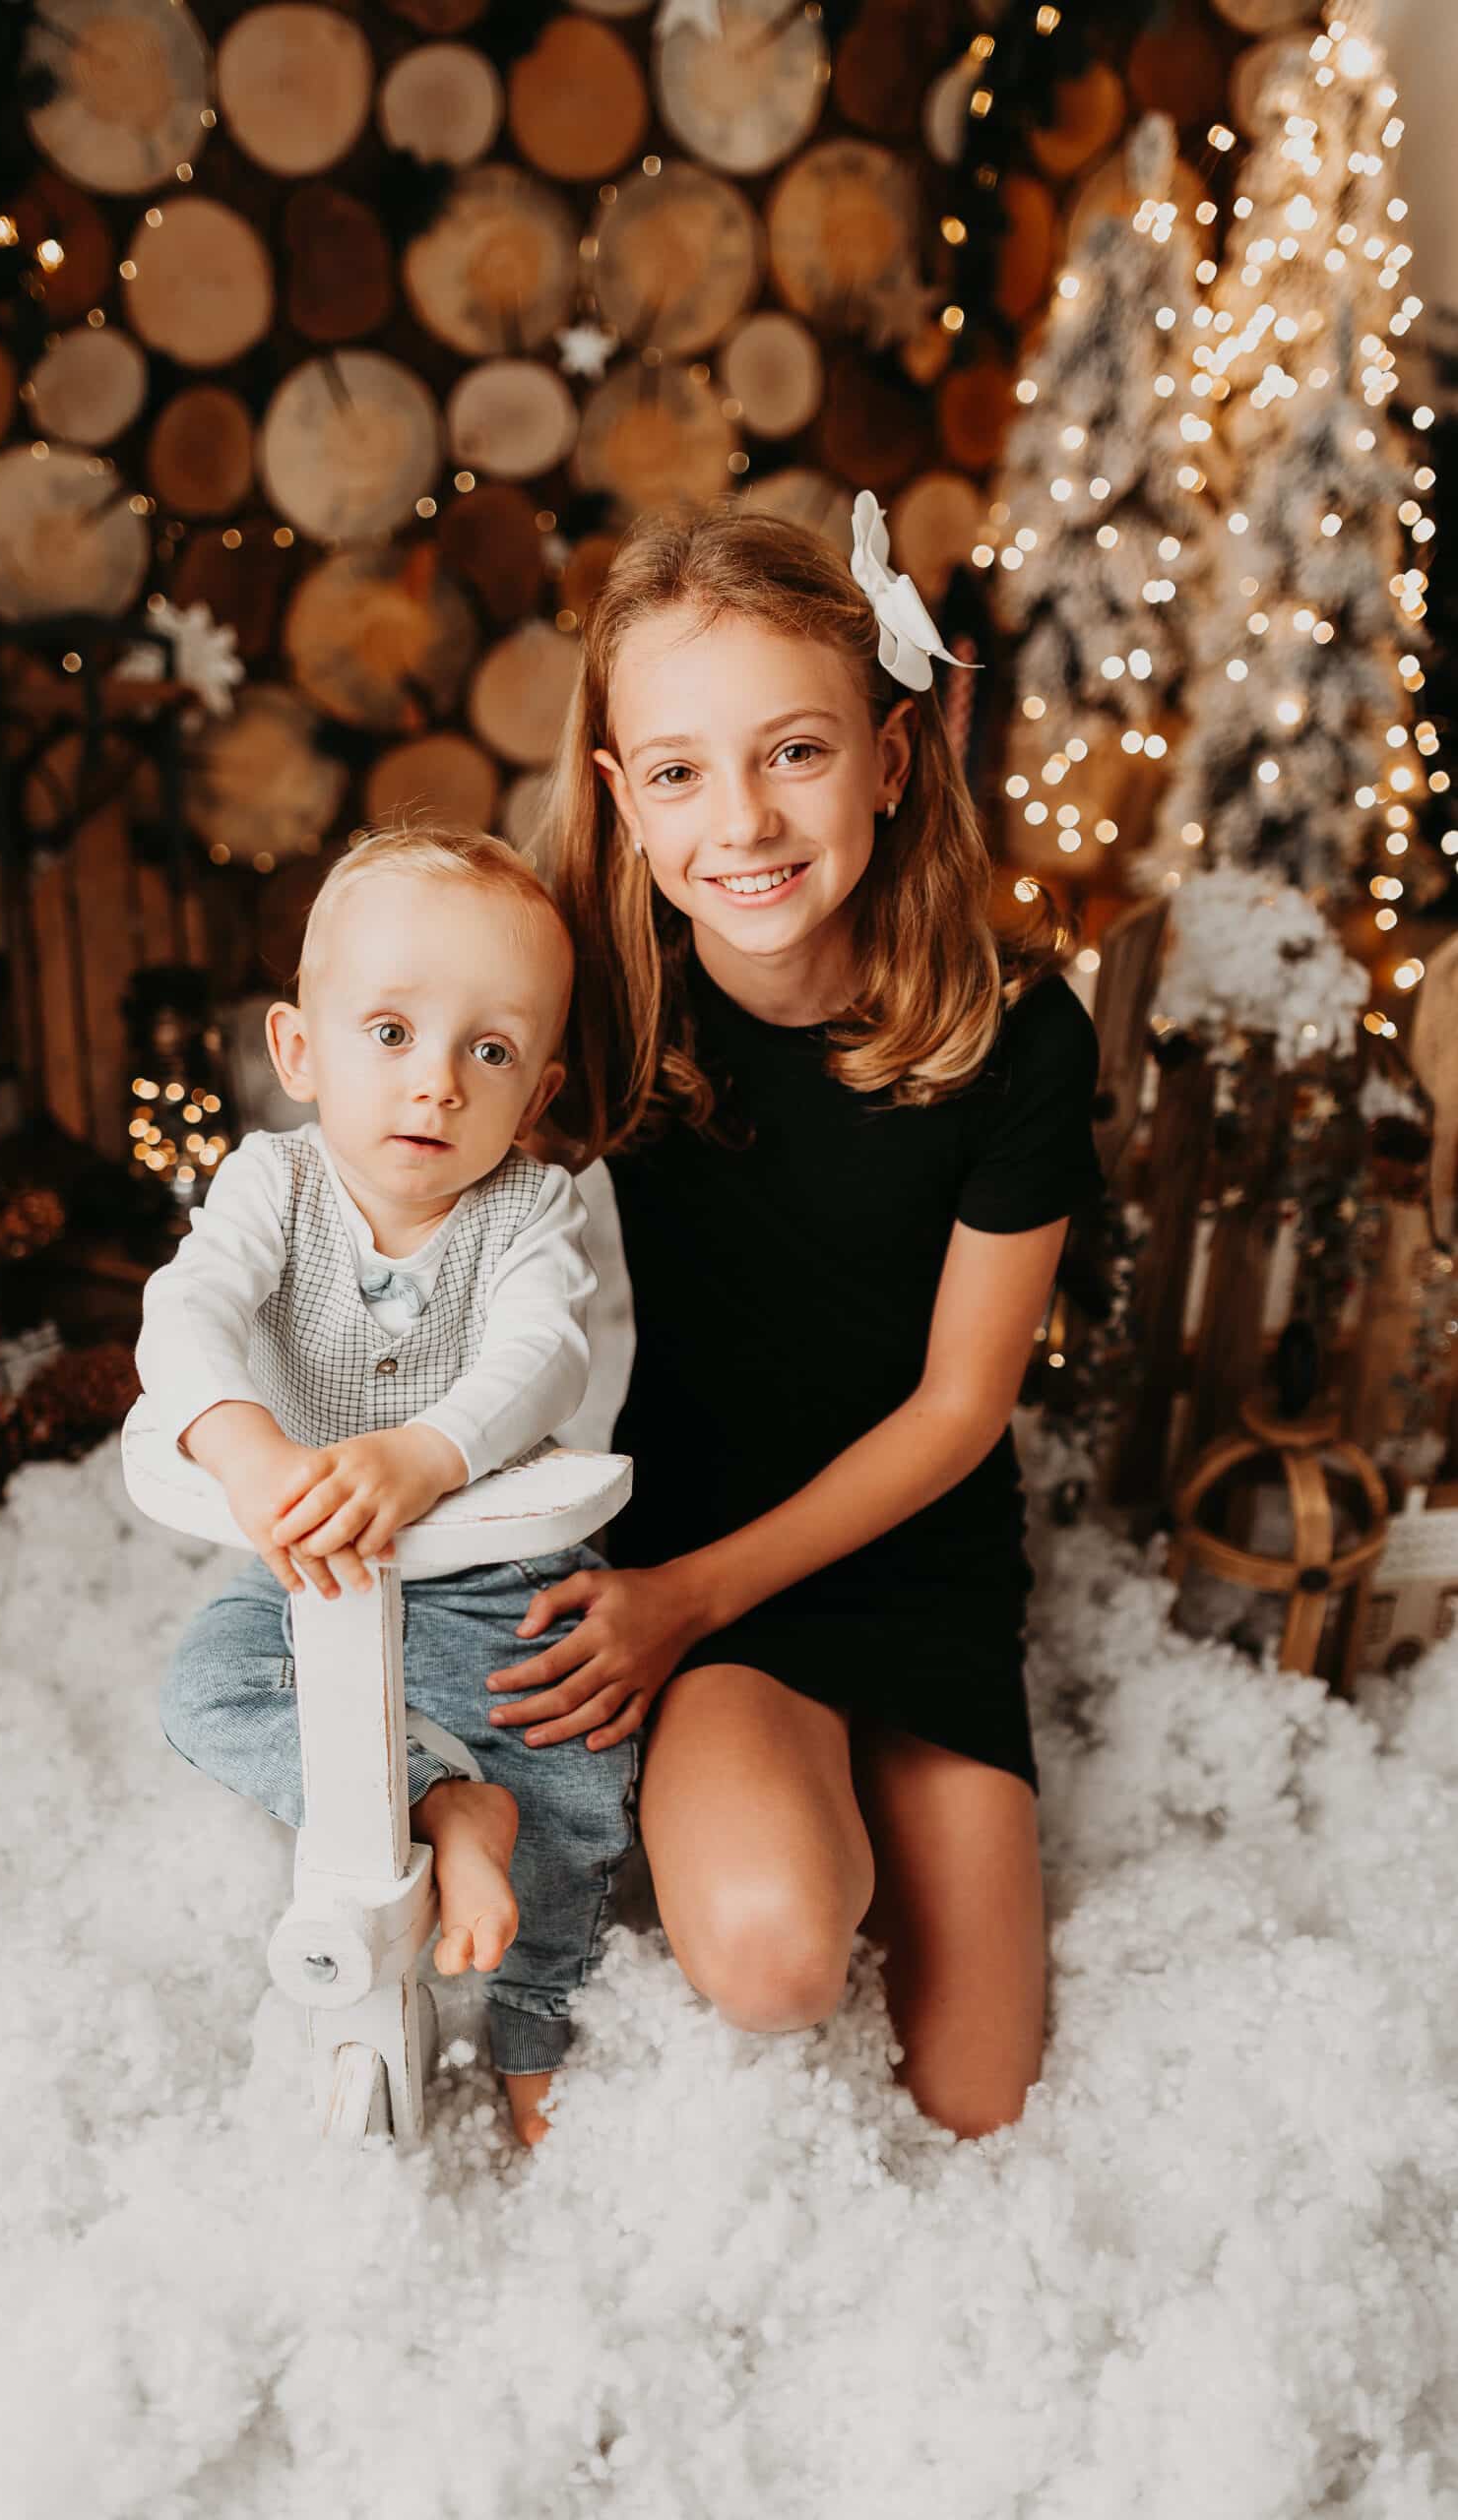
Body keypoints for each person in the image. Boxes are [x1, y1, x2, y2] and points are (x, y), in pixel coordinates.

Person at [482, 492, 1108, 2141]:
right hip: (705, 1547)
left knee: (979, 2106)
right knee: (773, 1959)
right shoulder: (601, 1000)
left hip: (917, 1553)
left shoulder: (1020, 1035)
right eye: (679, 772)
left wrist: (676, 1602)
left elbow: (960, 1409)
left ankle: (863, 1788)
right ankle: (769, 1794)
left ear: (891, 760)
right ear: (620, 797)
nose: (743, 821)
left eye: (796, 753)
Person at [138, 826, 638, 2148]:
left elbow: (543, 1356)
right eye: (392, 1033)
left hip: (493, 1580)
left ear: (536, 1091)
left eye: (491, 1052)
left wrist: (426, 1452)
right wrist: (247, 1449)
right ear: (299, 1050)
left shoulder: (529, 1210)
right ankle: (434, 1800)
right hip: (315, 1575)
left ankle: (536, 2029)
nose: (437, 1083)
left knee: (578, 1787)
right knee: (209, 1689)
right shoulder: (273, 1184)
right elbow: (186, 1314)